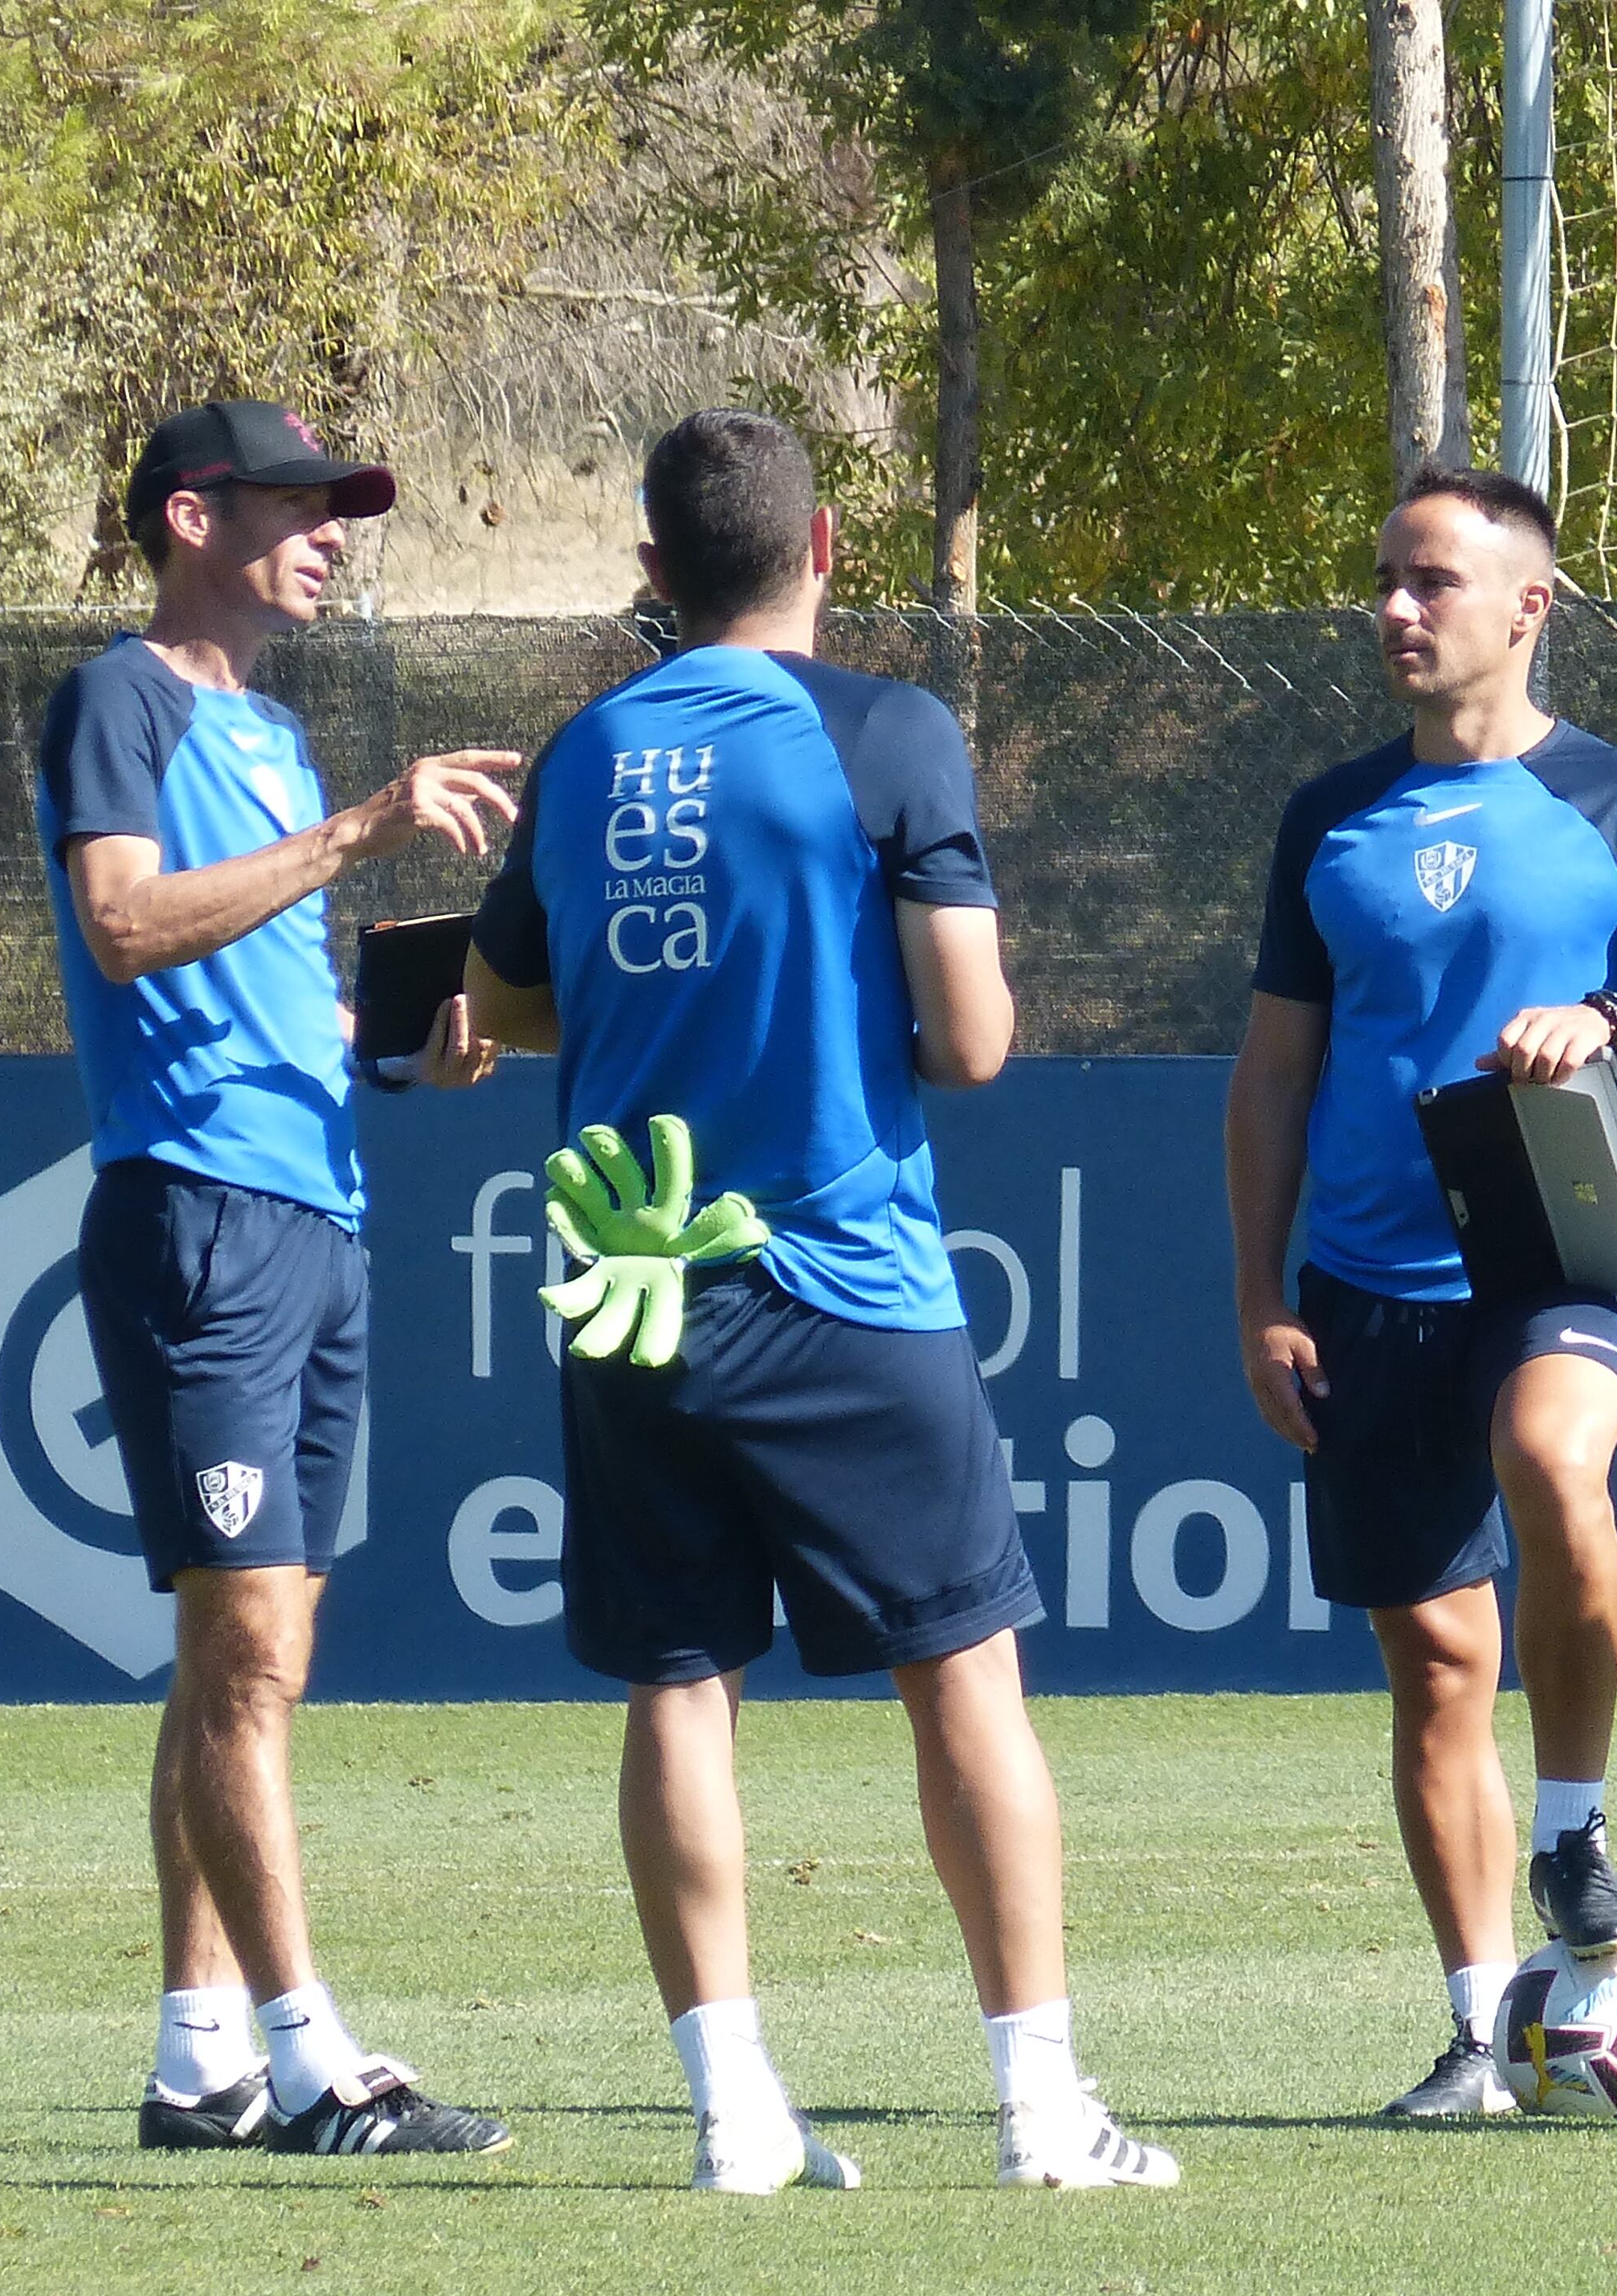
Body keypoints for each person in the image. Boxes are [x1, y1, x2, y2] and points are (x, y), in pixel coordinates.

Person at [460, 407, 1178, 2196]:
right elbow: (974, 1038)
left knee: (680, 1685)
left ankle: (737, 2120)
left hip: (634, 1291)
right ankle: (1041, 2114)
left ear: (651, 572)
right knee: (964, 1683)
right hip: (842, 1280)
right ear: (828, 547)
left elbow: (499, 1006)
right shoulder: (888, 733)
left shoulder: (582, 755)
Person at [1223, 463, 1617, 2122]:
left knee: (1552, 1458)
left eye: (1431, 581)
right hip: (1363, 1278)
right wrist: (1260, 1300)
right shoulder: (1328, 817)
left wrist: (1604, 1028)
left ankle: (1575, 1831)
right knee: (1436, 1671)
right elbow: (1271, 1080)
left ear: (1531, 606)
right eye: (1385, 579)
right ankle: (1477, 2033)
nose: (1394, 607)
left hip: (1550, 1234)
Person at [36, 397, 522, 2157]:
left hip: (314, 1216)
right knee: (242, 1649)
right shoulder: (123, 699)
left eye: (340, 508)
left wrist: (400, 1050)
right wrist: (361, 834)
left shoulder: (277, 736)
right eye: (300, 506)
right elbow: (121, 922)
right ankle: (319, 2062)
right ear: (191, 516)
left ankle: (199, 2058)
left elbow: (267, 994)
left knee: (258, 1650)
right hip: (199, 1221)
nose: (331, 531)